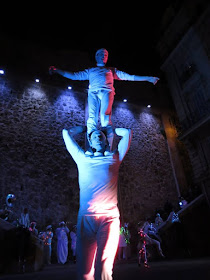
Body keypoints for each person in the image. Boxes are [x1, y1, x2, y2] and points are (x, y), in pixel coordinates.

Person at [50, 48, 159, 153]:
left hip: (107, 92)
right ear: (96, 56)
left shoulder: (111, 70)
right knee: (92, 118)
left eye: (106, 55)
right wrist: (57, 71)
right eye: (101, 54)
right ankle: (91, 148)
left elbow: (129, 76)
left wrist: (147, 78)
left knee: (105, 117)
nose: (103, 57)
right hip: (93, 93)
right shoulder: (91, 70)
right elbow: (74, 76)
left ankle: (108, 149)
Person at [62, 125, 132, 280]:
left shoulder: (114, 158)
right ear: (90, 142)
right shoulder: (82, 158)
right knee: (85, 272)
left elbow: (127, 133)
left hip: (109, 218)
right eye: (94, 137)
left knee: (103, 268)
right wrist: (84, 128)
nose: (98, 138)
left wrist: (111, 130)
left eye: (101, 136)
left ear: (107, 141)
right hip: (86, 218)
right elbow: (66, 133)